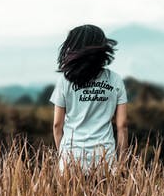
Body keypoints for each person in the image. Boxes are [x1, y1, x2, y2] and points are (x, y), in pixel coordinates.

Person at [49, 24, 128, 172]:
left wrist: (63, 155)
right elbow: (122, 125)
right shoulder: (115, 79)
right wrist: (122, 163)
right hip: (105, 160)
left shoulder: (65, 81)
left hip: (71, 160)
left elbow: (57, 125)